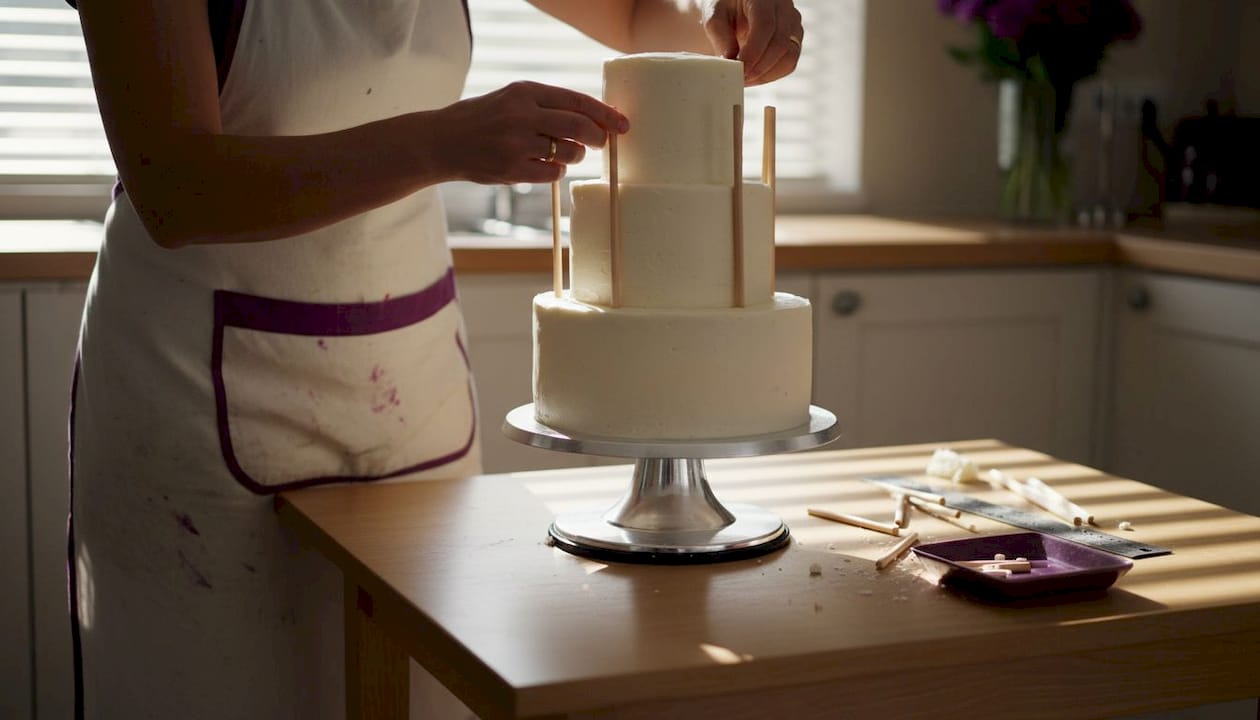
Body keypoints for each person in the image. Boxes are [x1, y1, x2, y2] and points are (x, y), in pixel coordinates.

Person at [66, 0, 803, 717]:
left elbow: (642, 13)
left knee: (429, 690)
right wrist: (441, 143)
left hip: (411, 373)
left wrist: (724, 16)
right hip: (200, 390)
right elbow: (176, 186)